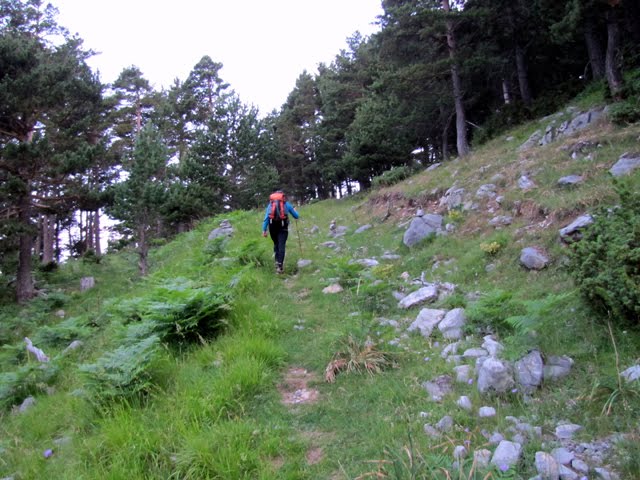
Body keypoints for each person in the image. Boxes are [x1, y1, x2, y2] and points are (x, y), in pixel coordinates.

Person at [262, 190, 299, 274]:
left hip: (272, 227)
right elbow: (296, 216)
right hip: (283, 227)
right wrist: (295, 210)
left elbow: (266, 219)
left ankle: (277, 262)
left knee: (276, 244)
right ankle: (280, 265)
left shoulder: (270, 205)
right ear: (283, 196)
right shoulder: (286, 204)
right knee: (281, 244)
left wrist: (264, 230)